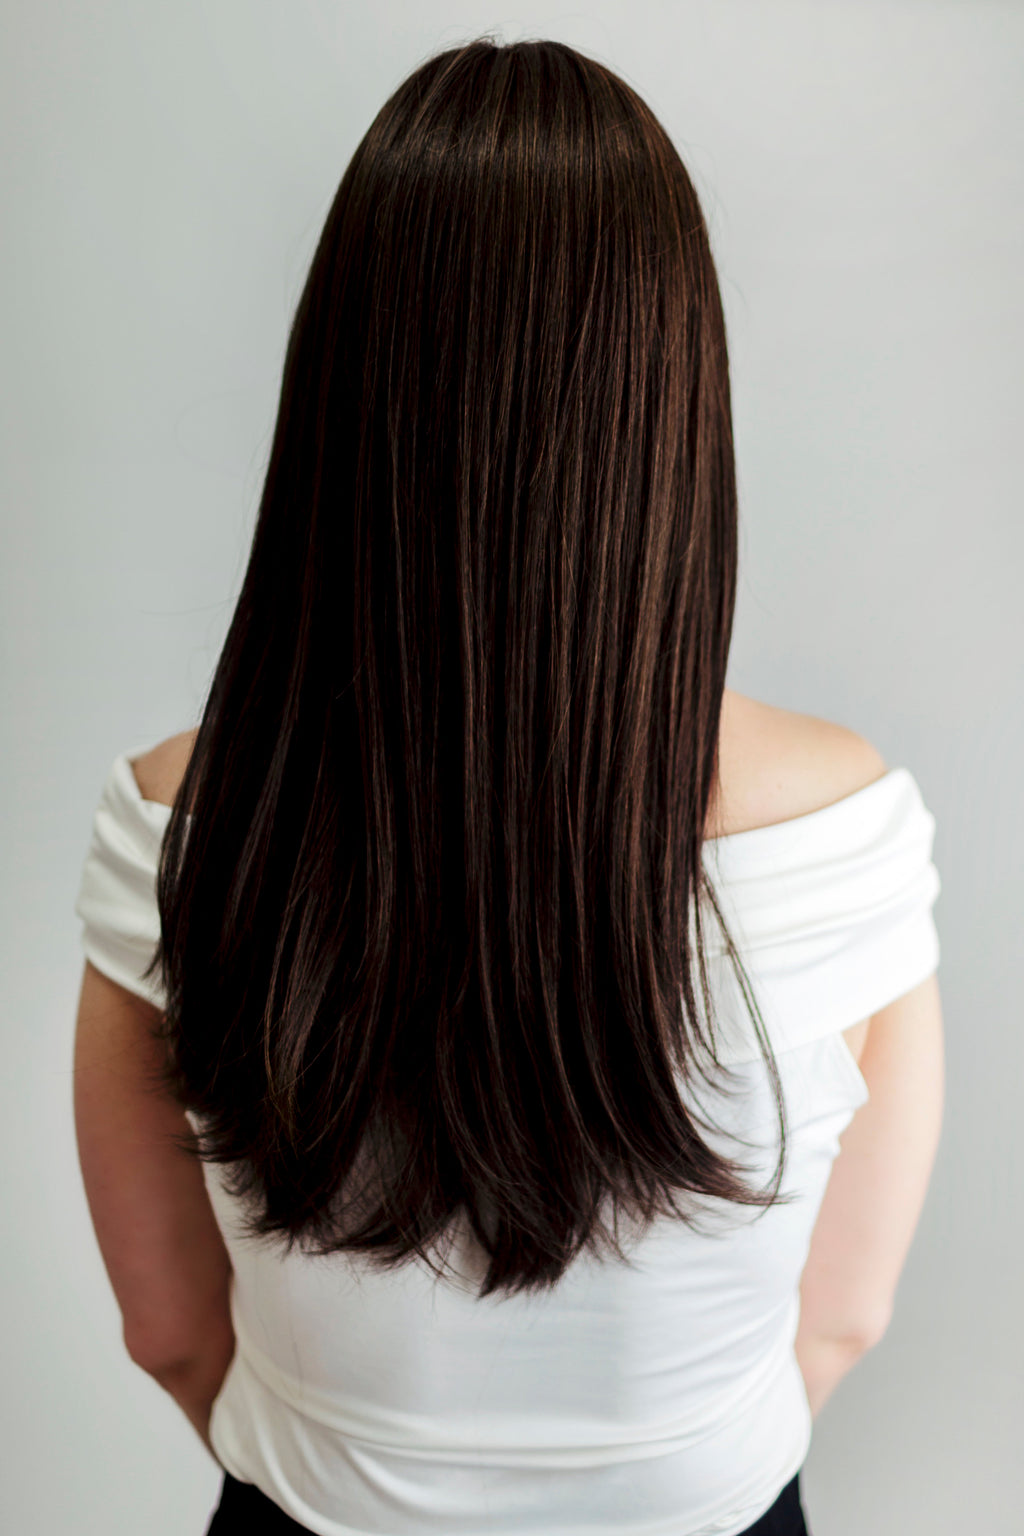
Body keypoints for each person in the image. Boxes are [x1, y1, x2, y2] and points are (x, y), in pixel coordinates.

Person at [71, 36, 944, 1536]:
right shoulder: (845, 828)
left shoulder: (177, 822)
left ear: (342, 397)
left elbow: (171, 1333)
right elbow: (845, 1319)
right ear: (673, 413)